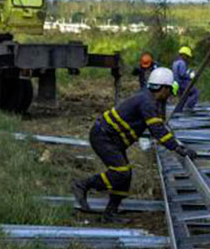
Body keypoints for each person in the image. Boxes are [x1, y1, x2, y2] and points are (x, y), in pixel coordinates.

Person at [71, 67, 197, 222]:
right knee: (121, 172)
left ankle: (110, 214)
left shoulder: (148, 97)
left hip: (112, 139)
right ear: (163, 87)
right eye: (169, 91)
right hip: (103, 137)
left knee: (126, 176)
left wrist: (172, 139)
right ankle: (83, 184)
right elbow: (157, 129)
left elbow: (159, 123)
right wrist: (178, 148)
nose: (169, 95)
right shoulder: (147, 102)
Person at [172, 46, 199, 112]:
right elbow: (182, 74)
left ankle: (181, 108)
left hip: (176, 85)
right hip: (182, 84)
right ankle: (188, 107)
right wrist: (190, 76)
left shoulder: (175, 63)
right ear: (184, 55)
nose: (188, 59)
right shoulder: (182, 63)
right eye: (187, 56)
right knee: (195, 92)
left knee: (182, 98)